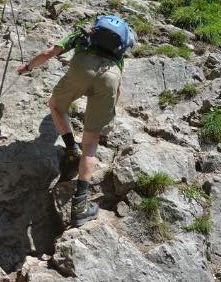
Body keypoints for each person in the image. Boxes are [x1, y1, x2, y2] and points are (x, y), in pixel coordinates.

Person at [17, 15, 136, 227]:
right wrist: (108, 112)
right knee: (90, 144)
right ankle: (80, 206)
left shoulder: (83, 35)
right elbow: (117, 89)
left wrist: (27, 67)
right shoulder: (118, 51)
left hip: (81, 68)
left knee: (55, 104)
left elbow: (49, 53)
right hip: (109, 77)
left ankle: (71, 150)